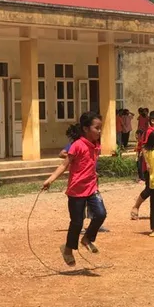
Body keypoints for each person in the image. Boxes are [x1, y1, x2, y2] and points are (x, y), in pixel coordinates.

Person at [43, 112, 107, 267]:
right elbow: (65, 165)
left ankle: (87, 239)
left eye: (100, 128)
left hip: (91, 187)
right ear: (85, 128)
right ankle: (68, 250)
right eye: (96, 128)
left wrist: (93, 172)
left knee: (100, 214)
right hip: (76, 190)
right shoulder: (77, 145)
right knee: (77, 223)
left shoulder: (96, 145)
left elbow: (89, 163)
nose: (99, 131)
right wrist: (50, 180)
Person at [130, 110, 154, 219]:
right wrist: (147, 164)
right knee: (149, 189)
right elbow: (144, 148)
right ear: (153, 121)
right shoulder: (149, 132)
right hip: (149, 166)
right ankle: (135, 207)